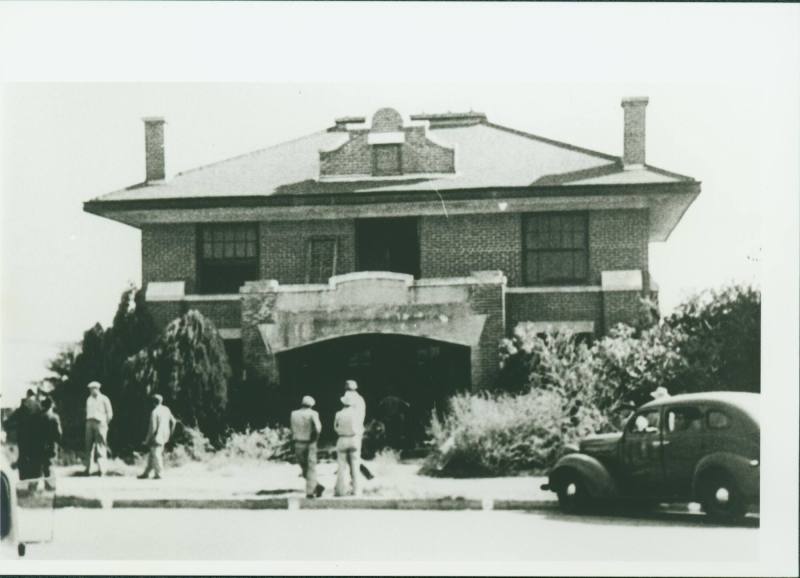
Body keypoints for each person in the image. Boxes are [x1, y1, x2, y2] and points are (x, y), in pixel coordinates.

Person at [289, 395, 324, 498]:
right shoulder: (314, 414)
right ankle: (313, 489)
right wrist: (315, 439)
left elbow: (292, 428)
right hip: (309, 443)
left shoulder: (293, 414)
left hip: (298, 442)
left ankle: (313, 489)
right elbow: (318, 429)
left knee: (304, 468)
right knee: (311, 468)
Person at [138, 394, 176, 480]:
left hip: (156, 436)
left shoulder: (154, 412)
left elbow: (153, 428)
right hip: (165, 435)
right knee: (152, 455)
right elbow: (173, 421)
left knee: (156, 454)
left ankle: (159, 473)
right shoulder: (166, 409)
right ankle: (146, 473)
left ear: (153, 402)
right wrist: (170, 433)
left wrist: (147, 439)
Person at [334, 391, 364, 497]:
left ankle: (340, 491)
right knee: (355, 466)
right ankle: (357, 490)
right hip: (354, 439)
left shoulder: (338, 414)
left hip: (342, 439)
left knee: (341, 467)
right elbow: (360, 426)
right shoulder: (357, 414)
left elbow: (335, 428)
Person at [84, 381, 113, 476]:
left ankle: (102, 470)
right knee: (88, 446)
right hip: (89, 422)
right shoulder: (89, 399)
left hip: (100, 422)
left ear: (98, 388)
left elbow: (109, 413)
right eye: (90, 389)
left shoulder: (104, 399)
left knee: (100, 446)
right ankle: (89, 469)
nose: (92, 390)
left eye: (93, 388)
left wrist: (105, 423)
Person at [15, 389, 42, 480]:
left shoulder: (22, 407)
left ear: (27, 395)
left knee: (23, 457)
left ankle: (23, 477)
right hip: (35, 437)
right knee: (34, 457)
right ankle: (34, 478)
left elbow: (12, 421)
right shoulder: (38, 406)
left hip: (23, 437)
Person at [36, 397, 62, 487]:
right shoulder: (54, 417)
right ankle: (50, 486)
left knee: (42, 465)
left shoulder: (39, 417)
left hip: (41, 444)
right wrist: (59, 443)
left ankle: (40, 485)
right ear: (51, 406)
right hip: (51, 444)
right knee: (50, 465)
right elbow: (58, 433)